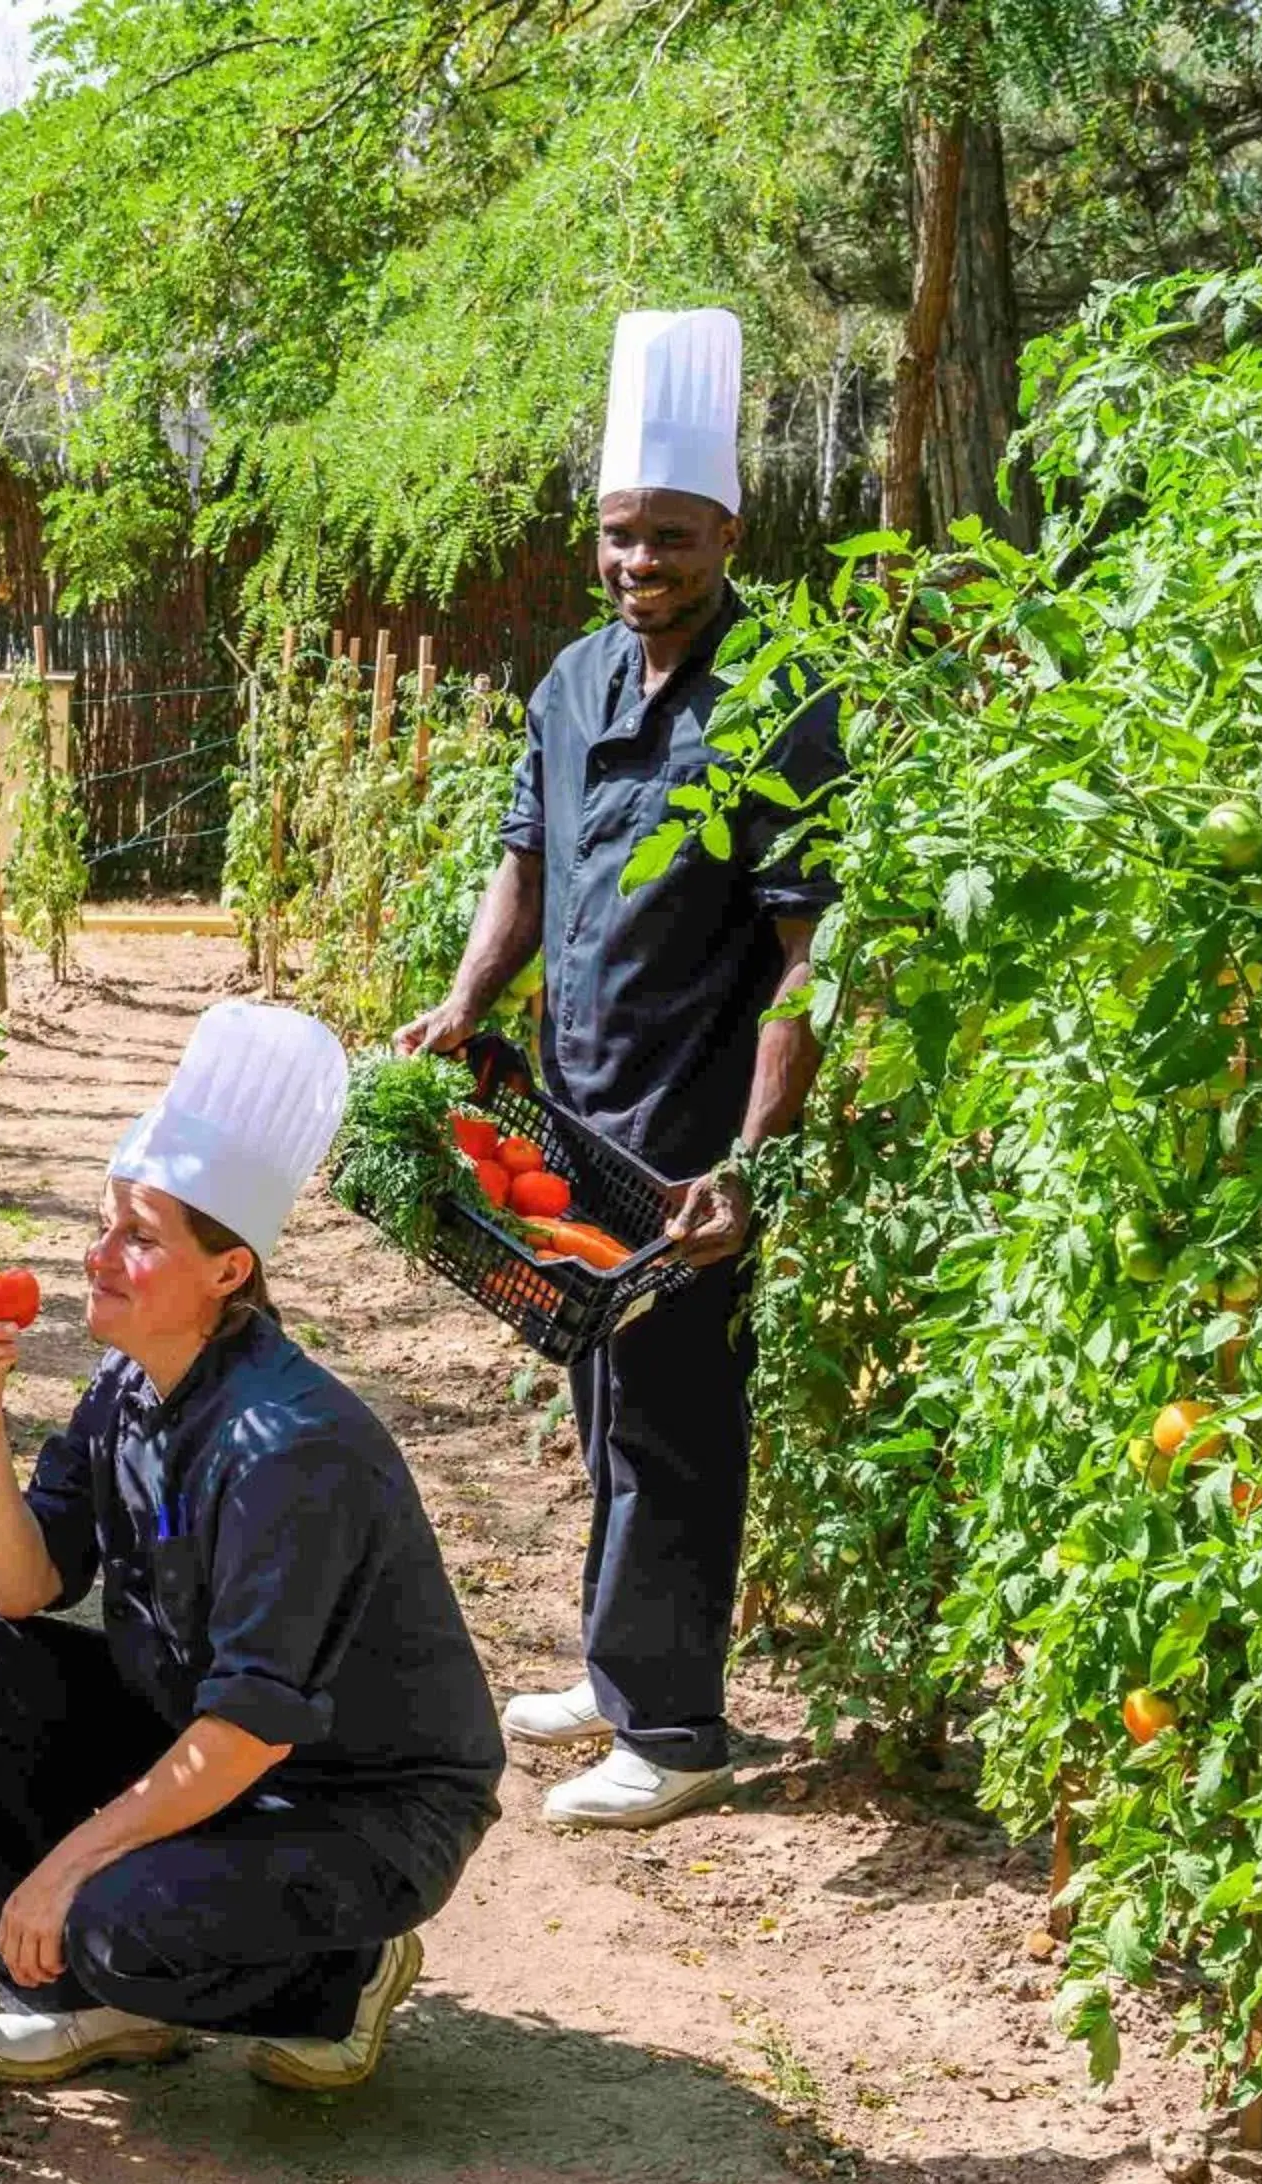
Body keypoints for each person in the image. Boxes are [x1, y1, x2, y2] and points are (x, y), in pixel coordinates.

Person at [397, 308, 841, 1832]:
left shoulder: (781, 693)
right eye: (617, 535)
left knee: (673, 1414)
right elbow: (522, 868)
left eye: (669, 535)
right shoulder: (576, 680)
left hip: (690, 1129)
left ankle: (674, 1726)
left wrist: (753, 1157)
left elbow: (805, 952)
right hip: (572, 1102)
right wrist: (466, 1001)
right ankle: (618, 1664)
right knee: (601, 1389)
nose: (638, 560)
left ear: (728, 528)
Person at [0, 1001, 505, 2089]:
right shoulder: (129, 1389)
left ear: (229, 1273)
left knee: (109, 1922)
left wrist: (66, 1866)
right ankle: (83, 2008)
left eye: (137, 1238)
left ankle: (347, 1978)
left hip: (361, 1805)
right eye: (105, 1224)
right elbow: (19, 1589)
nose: (97, 1257)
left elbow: (246, 1733)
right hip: (215, 1742)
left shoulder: (290, 1449)